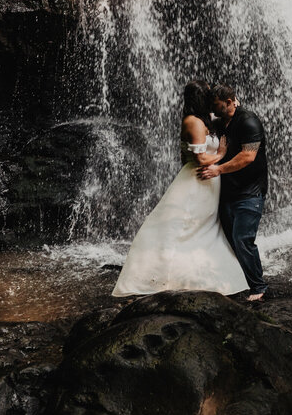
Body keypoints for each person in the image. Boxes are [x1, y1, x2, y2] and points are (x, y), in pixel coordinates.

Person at [112, 80, 249, 297]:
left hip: (208, 182)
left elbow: (229, 107)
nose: (212, 99)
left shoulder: (206, 119)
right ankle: (166, 275)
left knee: (203, 228)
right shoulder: (193, 122)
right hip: (197, 180)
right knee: (185, 226)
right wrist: (221, 154)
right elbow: (201, 157)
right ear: (200, 99)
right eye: (208, 95)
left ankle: (202, 271)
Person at [198, 84, 268, 302]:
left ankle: (259, 287)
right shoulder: (220, 122)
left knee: (242, 238)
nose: (212, 108)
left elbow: (248, 156)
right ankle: (240, 280)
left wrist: (218, 168)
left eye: (216, 104)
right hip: (227, 192)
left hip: (250, 192)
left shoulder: (248, 121)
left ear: (229, 102)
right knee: (230, 239)